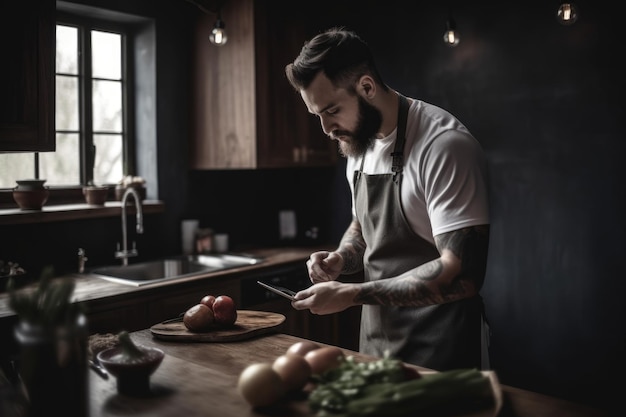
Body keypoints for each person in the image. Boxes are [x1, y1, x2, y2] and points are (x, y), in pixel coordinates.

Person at [285, 27, 491, 371]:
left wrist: (350, 294)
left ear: (366, 87)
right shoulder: (357, 144)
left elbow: (462, 274)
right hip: (376, 350)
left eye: (332, 110)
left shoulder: (444, 146)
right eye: (317, 114)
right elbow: (362, 227)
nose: (325, 128)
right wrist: (340, 258)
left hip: (444, 354)